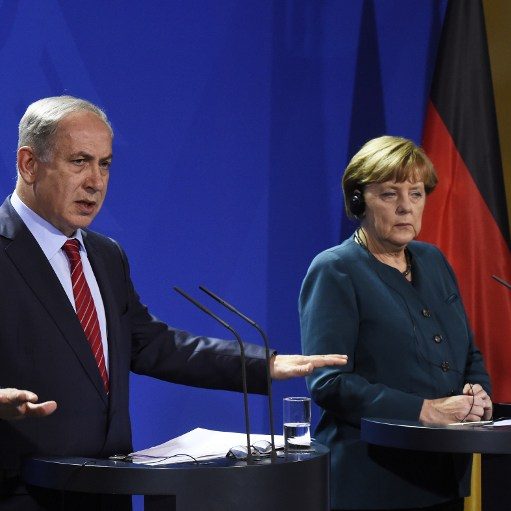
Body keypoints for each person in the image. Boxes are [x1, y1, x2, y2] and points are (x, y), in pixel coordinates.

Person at [0, 95, 347, 510]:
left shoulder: (106, 255)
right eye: (79, 161)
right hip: (20, 491)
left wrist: (261, 363)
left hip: (105, 488)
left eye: (105, 163)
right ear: (29, 164)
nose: (95, 181)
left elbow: (151, 344)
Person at [299, 136, 492, 511]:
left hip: (443, 476)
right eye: (390, 194)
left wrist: (477, 395)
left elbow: (467, 351)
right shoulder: (335, 269)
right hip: (373, 481)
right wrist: (425, 410)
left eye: (416, 194)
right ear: (359, 201)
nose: (406, 207)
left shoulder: (433, 261)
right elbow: (329, 383)